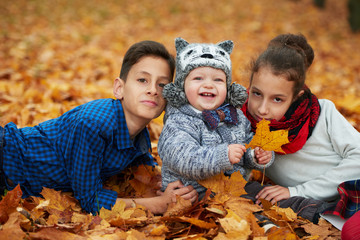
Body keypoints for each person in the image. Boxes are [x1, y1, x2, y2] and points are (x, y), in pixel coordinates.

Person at [0, 40, 198, 215]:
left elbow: (147, 174)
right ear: (119, 88)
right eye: (142, 80)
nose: (153, 90)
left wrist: (172, 188)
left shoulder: (139, 135)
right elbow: (90, 201)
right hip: (6, 157)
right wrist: (157, 204)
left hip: (16, 186)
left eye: (162, 85)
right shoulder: (93, 123)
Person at [240, 33, 360, 222]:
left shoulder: (322, 113)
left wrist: (298, 191)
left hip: (352, 194)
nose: (262, 109)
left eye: (277, 99)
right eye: (256, 93)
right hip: (314, 208)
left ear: (296, 96)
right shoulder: (242, 122)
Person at [158, 38, 274, 199]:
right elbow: (182, 158)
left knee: (272, 196)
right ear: (182, 86)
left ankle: (316, 213)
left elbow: (245, 146)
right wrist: (222, 156)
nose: (208, 85)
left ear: (228, 88)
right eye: (198, 78)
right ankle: (265, 223)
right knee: (252, 208)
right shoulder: (179, 120)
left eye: (218, 80)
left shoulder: (235, 116)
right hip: (195, 196)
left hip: (235, 189)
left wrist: (255, 155)